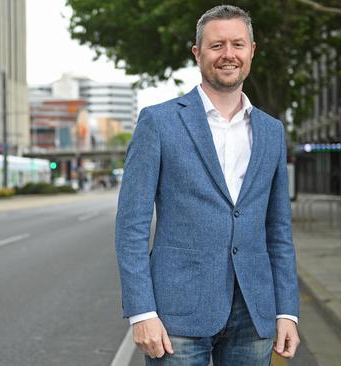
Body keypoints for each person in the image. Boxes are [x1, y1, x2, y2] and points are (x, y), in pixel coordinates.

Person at [114, 5, 300, 365]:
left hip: (254, 310)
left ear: (251, 51)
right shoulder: (158, 122)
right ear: (197, 54)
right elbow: (131, 226)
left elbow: (278, 230)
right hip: (176, 315)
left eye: (237, 44)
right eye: (216, 46)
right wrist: (141, 312)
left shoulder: (272, 131)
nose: (228, 54)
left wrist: (287, 311)